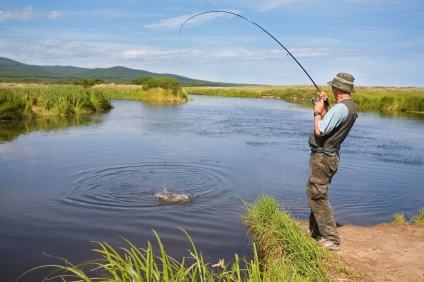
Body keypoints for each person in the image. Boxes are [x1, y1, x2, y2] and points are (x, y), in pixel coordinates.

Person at [306, 72, 358, 251]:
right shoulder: (348, 107)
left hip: (323, 157)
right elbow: (330, 123)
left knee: (318, 194)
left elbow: (320, 130)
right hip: (329, 156)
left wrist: (317, 110)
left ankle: (331, 238)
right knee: (314, 191)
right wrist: (326, 105)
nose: (331, 88)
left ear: (339, 87)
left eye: (333, 86)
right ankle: (316, 230)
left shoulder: (341, 108)